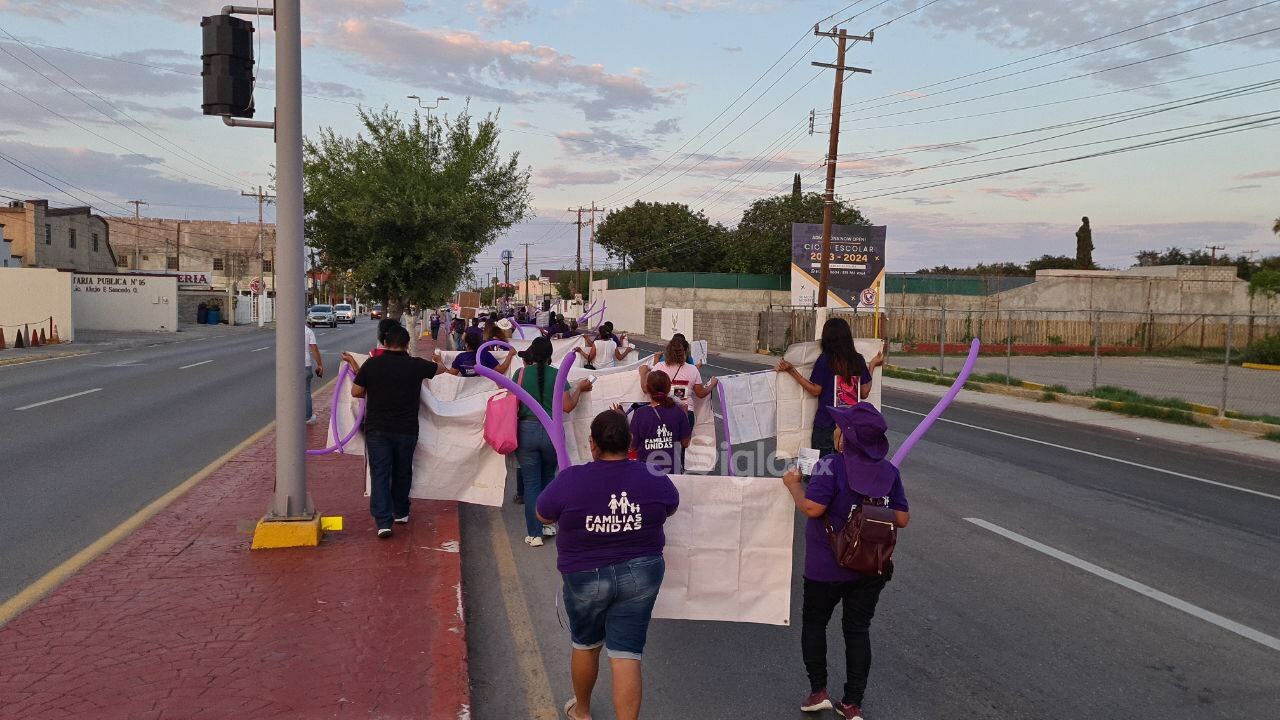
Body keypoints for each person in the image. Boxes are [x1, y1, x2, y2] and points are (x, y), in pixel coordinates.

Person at [536, 409, 679, 720]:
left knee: (586, 644)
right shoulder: (652, 474)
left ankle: (582, 710)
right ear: (629, 442)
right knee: (627, 654)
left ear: (592, 444)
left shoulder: (571, 479)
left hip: (585, 577)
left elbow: (543, 515)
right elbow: (670, 508)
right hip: (642, 573)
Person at [782, 403, 908, 719]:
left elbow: (812, 508)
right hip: (870, 566)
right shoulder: (890, 471)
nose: (835, 431)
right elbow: (902, 518)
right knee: (857, 630)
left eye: (840, 427)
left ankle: (818, 692)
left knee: (814, 623)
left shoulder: (830, 465)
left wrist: (793, 485)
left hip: (826, 567)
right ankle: (852, 703)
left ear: (847, 437)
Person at [351, 325, 440, 538]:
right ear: (407, 344)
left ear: (384, 343)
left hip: (377, 429)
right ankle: (401, 512)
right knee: (402, 470)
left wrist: (356, 368)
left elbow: (357, 391)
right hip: (406, 429)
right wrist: (438, 358)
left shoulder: (372, 365)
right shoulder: (416, 365)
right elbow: (440, 370)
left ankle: (383, 522)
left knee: (380, 474)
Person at [517, 336, 592, 546]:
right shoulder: (558, 375)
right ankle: (549, 524)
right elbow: (567, 406)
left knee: (531, 484)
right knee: (549, 478)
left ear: (531, 354)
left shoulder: (520, 374)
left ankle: (534, 534)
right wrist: (579, 389)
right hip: (553, 432)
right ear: (551, 355)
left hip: (526, 430)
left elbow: (511, 402)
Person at [775, 317, 884, 458]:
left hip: (825, 423)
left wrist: (792, 371)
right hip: (849, 426)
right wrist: (872, 366)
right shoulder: (857, 359)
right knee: (846, 469)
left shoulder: (825, 359)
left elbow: (815, 390)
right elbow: (864, 392)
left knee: (820, 470)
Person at [627, 370, 691, 476]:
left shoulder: (640, 413)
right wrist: (685, 414)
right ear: (669, 388)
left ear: (647, 388)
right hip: (672, 471)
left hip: (646, 472)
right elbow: (686, 443)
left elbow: (632, 446)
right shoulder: (678, 411)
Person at [639, 336, 716, 414]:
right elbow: (700, 393)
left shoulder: (659, 366)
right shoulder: (693, 369)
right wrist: (712, 384)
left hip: (663, 411)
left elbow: (646, 389)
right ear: (685, 353)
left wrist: (642, 373)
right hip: (685, 411)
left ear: (667, 352)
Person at [304, 323, 324, 424]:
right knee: (306, 391)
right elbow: (314, 349)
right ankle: (307, 417)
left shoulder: (287, 330)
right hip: (305, 365)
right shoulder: (308, 331)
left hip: (289, 367)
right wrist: (320, 364)